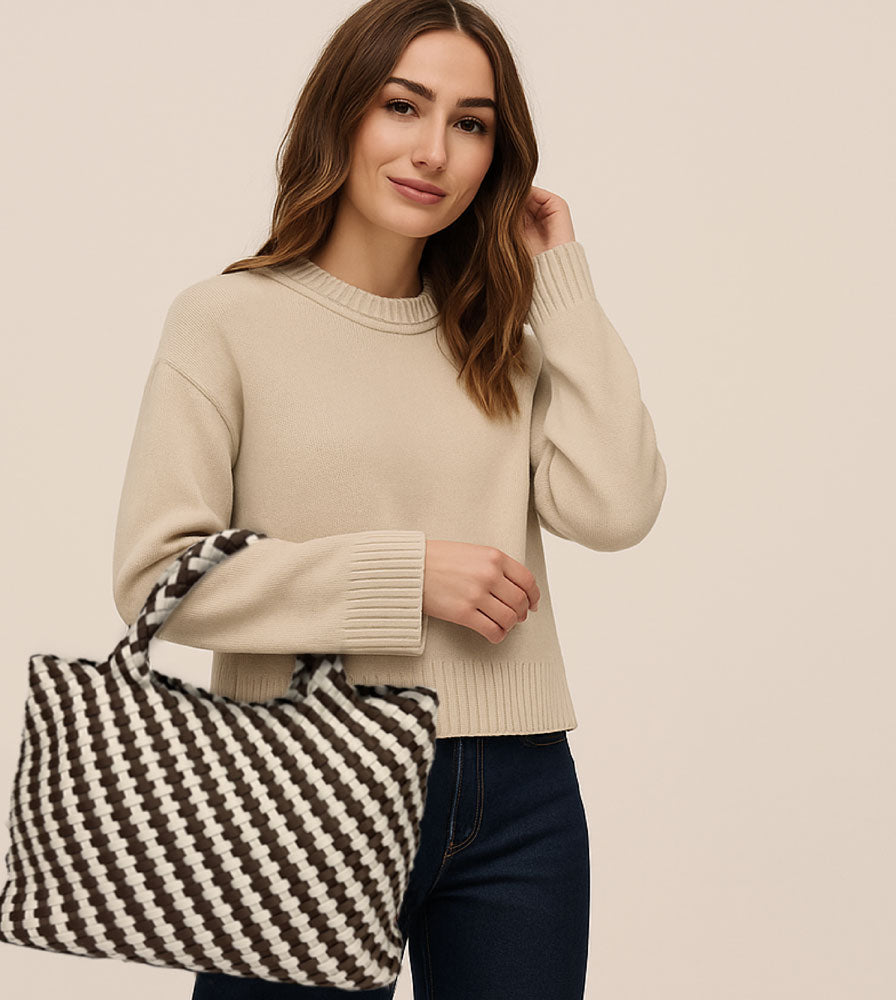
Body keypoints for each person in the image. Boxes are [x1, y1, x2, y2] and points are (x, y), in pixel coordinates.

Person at [111, 1, 667, 996]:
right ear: (342, 116)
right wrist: (406, 574)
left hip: (517, 794)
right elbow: (159, 576)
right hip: (297, 780)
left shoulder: (504, 340)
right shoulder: (226, 321)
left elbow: (617, 506)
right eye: (402, 107)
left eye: (470, 123)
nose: (433, 151)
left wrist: (562, 283)